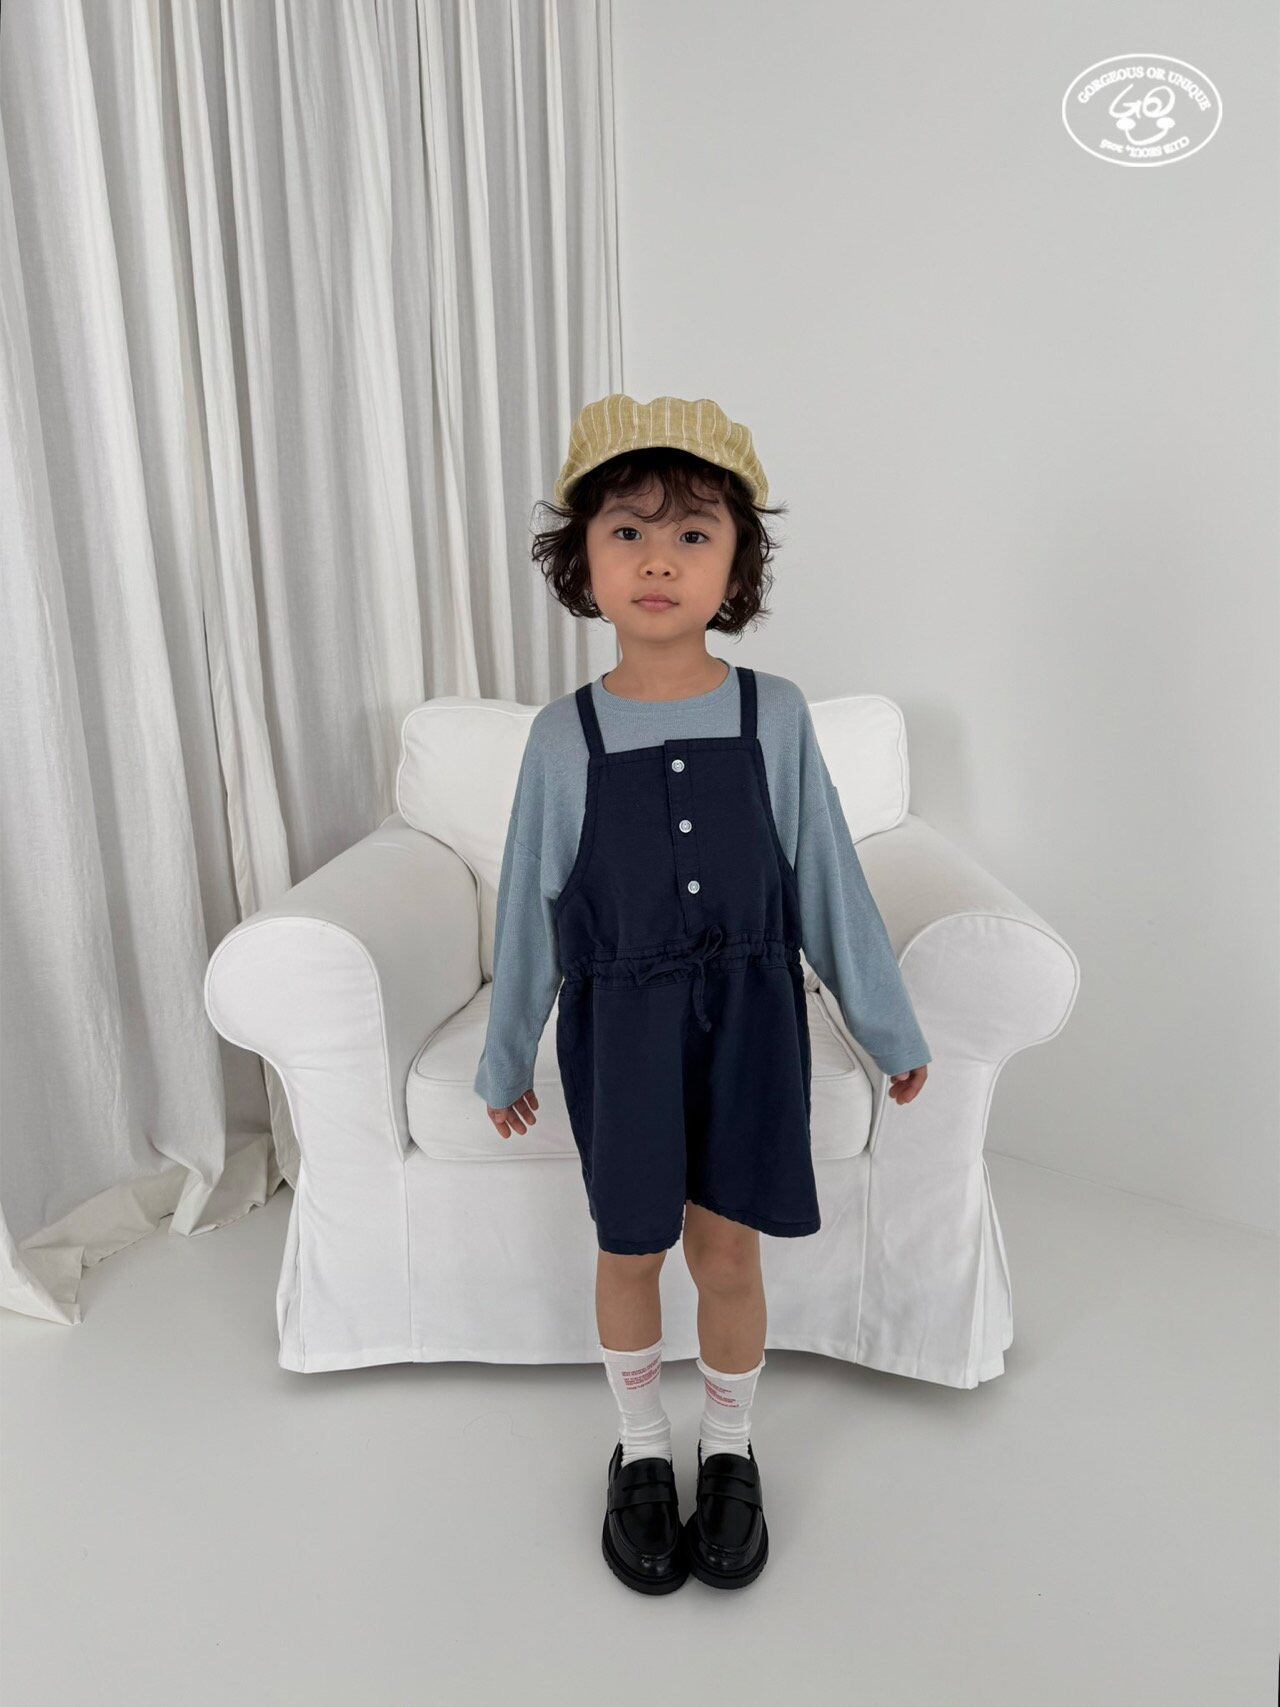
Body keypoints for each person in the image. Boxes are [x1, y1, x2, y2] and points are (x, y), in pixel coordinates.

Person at [474, 393, 930, 1595]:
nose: (657, 560)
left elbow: (824, 880)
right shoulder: (561, 738)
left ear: (736, 565)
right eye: (626, 532)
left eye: (691, 534)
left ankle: (727, 1447)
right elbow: (529, 903)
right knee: (630, 1248)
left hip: (749, 1030)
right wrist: (504, 1052)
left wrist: (886, 1028)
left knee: (726, 1253)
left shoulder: (772, 715)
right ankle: (639, 1447)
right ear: (580, 559)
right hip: (620, 1033)